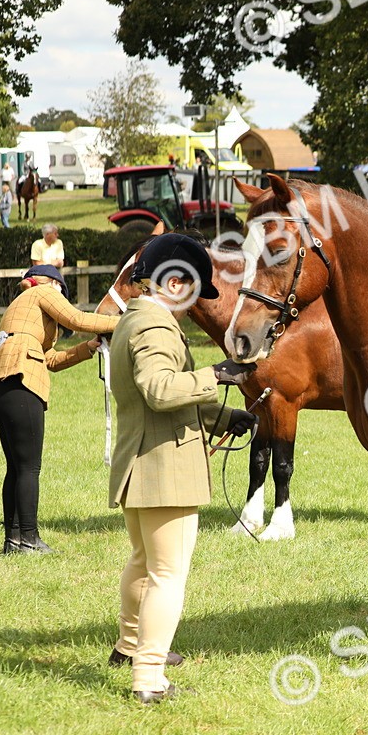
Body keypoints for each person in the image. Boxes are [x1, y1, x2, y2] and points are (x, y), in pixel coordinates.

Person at [106, 233, 257, 704]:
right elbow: (158, 389)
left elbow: (167, 399)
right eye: (193, 293)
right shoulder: (155, 327)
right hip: (163, 469)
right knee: (168, 575)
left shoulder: (136, 319)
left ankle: (128, 646)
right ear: (173, 281)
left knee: (144, 563)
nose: (195, 305)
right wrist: (214, 375)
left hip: (141, 463)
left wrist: (225, 417)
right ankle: (148, 676)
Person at [0, 266, 120, 554]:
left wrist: (89, 347)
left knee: (17, 467)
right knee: (30, 468)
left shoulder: (20, 308)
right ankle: (30, 539)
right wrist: (122, 323)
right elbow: (77, 318)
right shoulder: (44, 291)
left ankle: (14, 540)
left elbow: (51, 360)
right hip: (22, 376)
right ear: (54, 283)